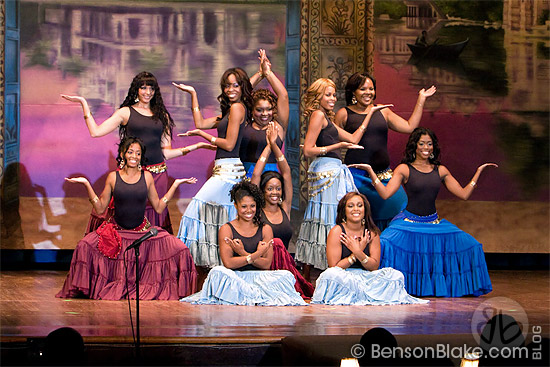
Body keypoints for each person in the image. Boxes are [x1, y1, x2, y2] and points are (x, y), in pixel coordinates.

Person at [61, 71, 214, 234]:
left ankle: (150, 257)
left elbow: (167, 154)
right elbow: (96, 132)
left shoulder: (163, 117)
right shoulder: (125, 112)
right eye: (143, 88)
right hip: (130, 174)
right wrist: (84, 103)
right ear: (137, 89)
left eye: (151, 89)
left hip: (157, 175)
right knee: (124, 216)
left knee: (155, 219)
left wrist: (197, 146)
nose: (148, 92)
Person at [350, 127, 496, 297]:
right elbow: (385, 193)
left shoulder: (440, 170)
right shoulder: (404, 169)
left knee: (472, 245)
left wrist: (477, 173)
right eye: (422, 144)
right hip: (408, 223)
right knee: (384, 244)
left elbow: (463, 194)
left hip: (434, 224)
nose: (426, 147)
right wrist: (370, 172)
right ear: (415, 146)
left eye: (429, 144)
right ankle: (385, 288)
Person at [57, 137, 198, 300]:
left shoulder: (147, 177)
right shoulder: (112, 177)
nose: (134, 156)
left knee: (180, 248)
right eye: (130, 152)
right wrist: (87, 184)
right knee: (84, 245)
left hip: (141, 234)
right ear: (123, 154)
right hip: (117, 233)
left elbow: (158, 207)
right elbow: (100, 208)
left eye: (138, 153)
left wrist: (175, 185)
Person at [295, 77, 390, 276]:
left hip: (333, 170)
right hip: (326, 171)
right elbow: (308, 150)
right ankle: (318, 271)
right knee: (325, 218)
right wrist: (336, 146)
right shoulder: (318, 115)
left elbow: (354, 138)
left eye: (334, 94)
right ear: (318, 97)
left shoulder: (326, 118)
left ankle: (326, 267)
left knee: (327, 218)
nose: (333, 98)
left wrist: (370, 113)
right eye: (328, 95)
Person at [173, 67, 253, 269]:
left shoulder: (238, 108)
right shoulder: (230, 110)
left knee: (196, 209)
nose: (230, 89)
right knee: (223, 218)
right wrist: (193, 94)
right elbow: (199, 121)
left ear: (242, 87)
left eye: (235, 85)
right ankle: (218, 265)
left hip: (229, 172)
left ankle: (185, 264)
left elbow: (228, 144)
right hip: (224, 170)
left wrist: (203, 136)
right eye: (227, 85)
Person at [335, 72, 436, 230]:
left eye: (371, 89)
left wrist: (421, 100)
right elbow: (334, 141)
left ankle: (387, 250)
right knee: (362, 217)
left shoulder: (383, 111)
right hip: (357, 178)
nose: (368, 92)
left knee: (399, 205)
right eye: (363, 89)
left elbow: (410, 127)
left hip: (384, 176)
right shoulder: (343, 114)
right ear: (353, 92)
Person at [180, 180, 306, 306]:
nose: (249, 211)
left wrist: (243, 253)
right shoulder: (226, 229)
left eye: (252, 206)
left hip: (259, 278)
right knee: (217, 272)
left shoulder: (265, 229)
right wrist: (257, 254)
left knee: (285, 275)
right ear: (236, 206)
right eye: (244, 207)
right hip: (236, 278)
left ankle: (251, 296)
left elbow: (266, 264)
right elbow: (229, 263)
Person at [311, 192, 427, 306]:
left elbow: (373, 267)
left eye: (359, 205)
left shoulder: (372, 232)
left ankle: (365, 295)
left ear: (365, 209)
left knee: (395, 275)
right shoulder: (337, 231)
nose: (356, 209)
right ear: (344, 211)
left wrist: (358, 252)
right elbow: (335, 268)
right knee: (331, 275)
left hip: (366, 277)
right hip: (344, 276)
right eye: (351, 206)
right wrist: (353, 256)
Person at [251, 122, 314, 299]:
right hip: (265, 269)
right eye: (270, 189)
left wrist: (276, 147)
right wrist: (268, 147)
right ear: (262, 191)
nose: (275, 192)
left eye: (278, 189)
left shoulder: (285, 207)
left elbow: (286, 173)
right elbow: (256, 175)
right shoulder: (257, 211)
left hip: (286, 268)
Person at [240, 49, 289, 178]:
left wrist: (268, 73)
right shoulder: (245, 124)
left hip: (270, 178)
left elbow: (283, 95)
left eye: (268, 109)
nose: (264, 114)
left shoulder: (278, 126)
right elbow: (242, 95)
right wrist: (260, 74)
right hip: (244, 175)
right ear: (252, 110)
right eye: (259, 110)